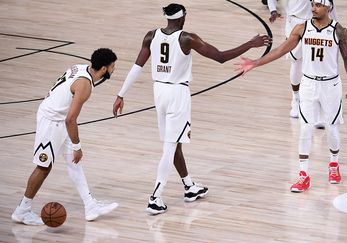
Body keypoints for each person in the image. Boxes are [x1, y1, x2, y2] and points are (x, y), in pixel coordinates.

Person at [112, 3, 271, 215]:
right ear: (183, 17)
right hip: (177, 94)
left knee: (174, 143)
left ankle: (189, 186)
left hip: (158, 92)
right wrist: (250, 44)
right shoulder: (187, 38)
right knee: (170, 146)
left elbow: (136, 67)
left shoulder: (151, 35)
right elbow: (221, 57)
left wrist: (121, 94)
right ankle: (155, 198)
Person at [236, 0, 347, 192]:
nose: (313, 8)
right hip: (308, 84)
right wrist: (256, 63)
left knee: (332, 128)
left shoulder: (340, 31)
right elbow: (281, 50)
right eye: (313, 4)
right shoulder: (301, 29)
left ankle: (334, 164)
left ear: (329, 7)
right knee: (305, 128)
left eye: (318, 5)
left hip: (330, 84)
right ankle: (303, 175)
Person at [12, 48, 119, 225]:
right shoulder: (84, 86)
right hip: (52, 122)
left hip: (58, 119)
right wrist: (77, 146)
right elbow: (71, 119)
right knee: (43, 167)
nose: (114, 69)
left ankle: (90, 205)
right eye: (113, 66)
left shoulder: (81, 67)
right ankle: (22, 210)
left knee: (74, 163)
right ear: (104, 69)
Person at [267, 0, 337, 129]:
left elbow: (330, 3)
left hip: (317, 22)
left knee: (317, 62)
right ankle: (296, 98)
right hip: (295, 23)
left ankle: (318, 107)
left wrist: (336, 25)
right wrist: (273, 10)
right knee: (296, 62)